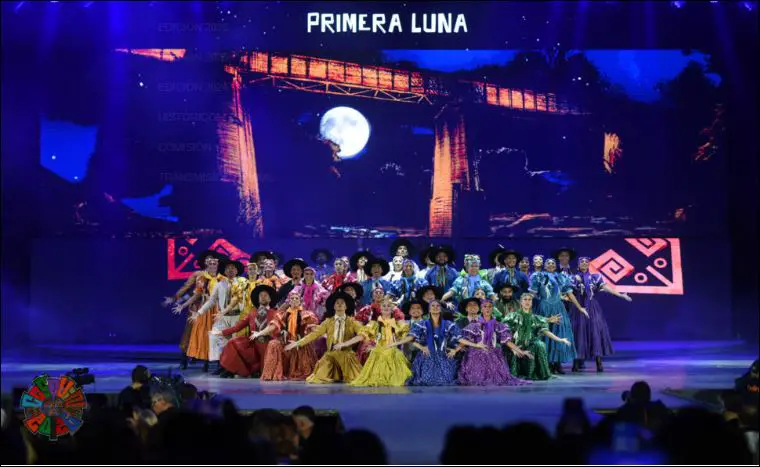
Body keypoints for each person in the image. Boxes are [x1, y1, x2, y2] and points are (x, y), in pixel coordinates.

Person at [163, 250, 224, 370]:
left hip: (214, 307)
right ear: (204, 261)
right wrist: (175, 298)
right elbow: (187, 288)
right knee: (190, 331)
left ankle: (209, 362)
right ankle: (184, 359)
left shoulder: (219, 276)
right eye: (207, 258)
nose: (209, 261)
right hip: (197, 306)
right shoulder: (198, 274)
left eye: (212, 259)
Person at [285, 291, 364, 384]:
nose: (339, 305)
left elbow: (363, 335)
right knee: (318, 378)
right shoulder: (328, 322)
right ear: (334, 306)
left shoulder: (352, 322)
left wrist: (344, 344)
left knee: (355, 379)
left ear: (346, 306)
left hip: (347, 355)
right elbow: (314, 334)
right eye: (337, 303)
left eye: (342, 303)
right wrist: (298, 343)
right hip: (331, 355)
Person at [571, 256, 632, 372]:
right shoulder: (573, 278)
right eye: (581, 262)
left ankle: (598, 361)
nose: (584, 263)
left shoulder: (595, 277)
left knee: (595, 332)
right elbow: (568, 292)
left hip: (592, 307)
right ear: (578, 264)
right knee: (578, 333)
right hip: (579, 307)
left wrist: (620, 295)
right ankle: (576, 361)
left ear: (589, 264)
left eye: (586, 262)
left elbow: (606, 288)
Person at [530, 258, 587, 374]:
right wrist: (526, 306)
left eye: (553, 263)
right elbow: (532, 293)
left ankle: (557, 363)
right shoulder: (538, 276)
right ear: (545, 266)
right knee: (545, 333)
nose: (551, 265)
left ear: (556, 266)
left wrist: (579, 307)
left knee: (560, 333)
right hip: (544, 307)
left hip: (558, 308)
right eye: (548, 263)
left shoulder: (561, 277)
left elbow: (570, 293)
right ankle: (547, 363)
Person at [395, 300, 470, 386]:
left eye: (437, 306)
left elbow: (459, 339)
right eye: (432, 306)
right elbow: (409, 339)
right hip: (420, 355)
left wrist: (455, 350)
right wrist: (421, 347)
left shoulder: (447, 324)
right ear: (429, 309)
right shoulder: (416, 324)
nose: (435, 308)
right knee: (425, 378)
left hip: (441, 355)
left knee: (446, 378)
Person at [456, 299, 529, 386]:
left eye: (490, 306)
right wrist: (455, 350)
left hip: (492, 350)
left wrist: (520, 351)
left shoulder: (498, 325)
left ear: (492, 309)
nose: (487, 309)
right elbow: (464, 340)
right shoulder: (474, 325)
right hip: (476, 351)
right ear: (481, 309)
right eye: (485, 306)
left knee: (491, 355)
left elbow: (507, 341)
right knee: (482, 354)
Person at [190, 259, 245, 375]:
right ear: (224, 271)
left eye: (233, 268)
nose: (230, 270)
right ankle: (222, 365)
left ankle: (233, 368)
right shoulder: (220, 285)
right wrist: (199, 312)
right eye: (228, 268)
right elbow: (211, 301)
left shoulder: (242, 284)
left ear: (236, 271)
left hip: (236, 316)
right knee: (215, 337)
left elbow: (240, 300)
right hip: (223, 317)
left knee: (234, 343)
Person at [212, 284, 279, 378]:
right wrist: (221, 332)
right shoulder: (252, 314)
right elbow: (237, 327)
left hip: (268, 345)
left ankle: (257, 370)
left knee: (265, 371)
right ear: (258, 299)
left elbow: (276, 329)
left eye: (265, 295)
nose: (263, 297)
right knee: (233, 343)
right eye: (261, 295)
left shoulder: (275, 313)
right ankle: (231, 369)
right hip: (254, 345)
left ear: (270, 299)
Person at [504, 293, 571, 380]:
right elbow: (505, 333)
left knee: (540, 344)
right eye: (525, 299)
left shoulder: (535, 318)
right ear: (521, 302)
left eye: (529, 300)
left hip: (530, 344)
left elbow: (545, 331)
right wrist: (513, 348)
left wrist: (560, 339)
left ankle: (540, 373)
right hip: (515, 345)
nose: (527, 302)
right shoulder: (513, 316)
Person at [350, 296, 412, 387]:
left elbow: (407, 335)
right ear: (380, 309)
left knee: (391, 353)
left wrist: (396, 342)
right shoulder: (374, 323)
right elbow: (363, 335)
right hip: (378, 350)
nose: (386, 307)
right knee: (379, 354)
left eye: (388, 306)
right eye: (384, 306)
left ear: (392, 309)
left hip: (392, 350)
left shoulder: (396, 323)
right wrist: (345, 343)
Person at [260, 290, 319, 381]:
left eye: (296, 298)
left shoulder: (306, 314)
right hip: (286, 342)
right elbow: (273, 326)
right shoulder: (283, 314)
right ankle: (271, 374)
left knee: (303, 345)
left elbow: (313, 328)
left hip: (300, 342)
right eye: (292, 298)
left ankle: (298, 369)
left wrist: (324, 333)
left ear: (300, 301)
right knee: (273, 344)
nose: (294, 300)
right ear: (289, 301)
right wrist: (260, 333)